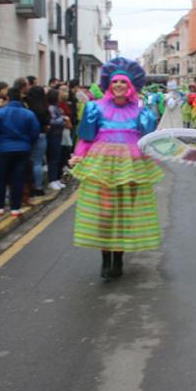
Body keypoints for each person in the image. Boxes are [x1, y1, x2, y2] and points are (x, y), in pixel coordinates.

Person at [69, 57, 162, 282]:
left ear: (130, 86)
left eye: (123, 82)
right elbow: (87, 137)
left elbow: (147, 139)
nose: (119, 86)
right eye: (115, 82)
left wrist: (154, 157)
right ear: (109, 85)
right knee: (106, 212)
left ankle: (118, 260)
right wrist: (78, 156)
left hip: (131, 165)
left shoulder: (141, 111)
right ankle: (106, 257)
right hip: (103, 165)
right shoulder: (94, 108)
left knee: (124, 213)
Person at [0, 86, 40, 215]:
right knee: (18, 178)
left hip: (4, 149)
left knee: (1, 178)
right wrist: (27, 143)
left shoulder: (1, 113)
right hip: (23, 149)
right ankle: (15, 207)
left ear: (8, 98)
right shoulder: (29, 114)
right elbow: (35, 132)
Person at [26, 86, 50, 197]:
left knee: (29, 162)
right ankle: (38, 187)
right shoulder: (44, 108)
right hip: (41, 135)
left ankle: (29, 187)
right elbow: (48, 124)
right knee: (38, 162)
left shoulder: (28, 107)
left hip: (29, 136)